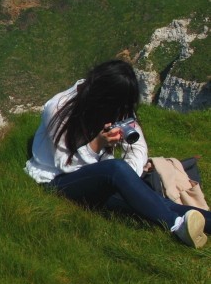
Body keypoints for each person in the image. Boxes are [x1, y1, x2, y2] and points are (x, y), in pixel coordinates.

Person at [25, 59, 209, 248]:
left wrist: (128, 178)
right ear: (106, 99)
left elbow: (138, 147)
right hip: (58, 181)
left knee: (157, 203)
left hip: (101, 177)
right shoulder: (59, 108)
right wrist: (98, 144)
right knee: (116, 170)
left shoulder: (115, 107)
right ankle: (176, 226)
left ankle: (197, 223)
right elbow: (65, 164)